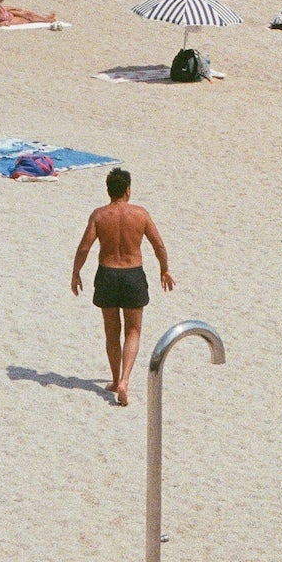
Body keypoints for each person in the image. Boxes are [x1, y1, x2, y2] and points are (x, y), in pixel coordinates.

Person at [70, 167, 174, 407]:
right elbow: (158, 245)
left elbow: (84, 247)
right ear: (128, 190)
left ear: (109, 190)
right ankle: (125, 380)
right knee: (133, 331)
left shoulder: (99, 215)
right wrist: (164, 269)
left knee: (111, 332)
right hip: (133, 275)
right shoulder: (140, 214)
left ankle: (116, 379)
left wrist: (76, 272)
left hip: (107, 274)